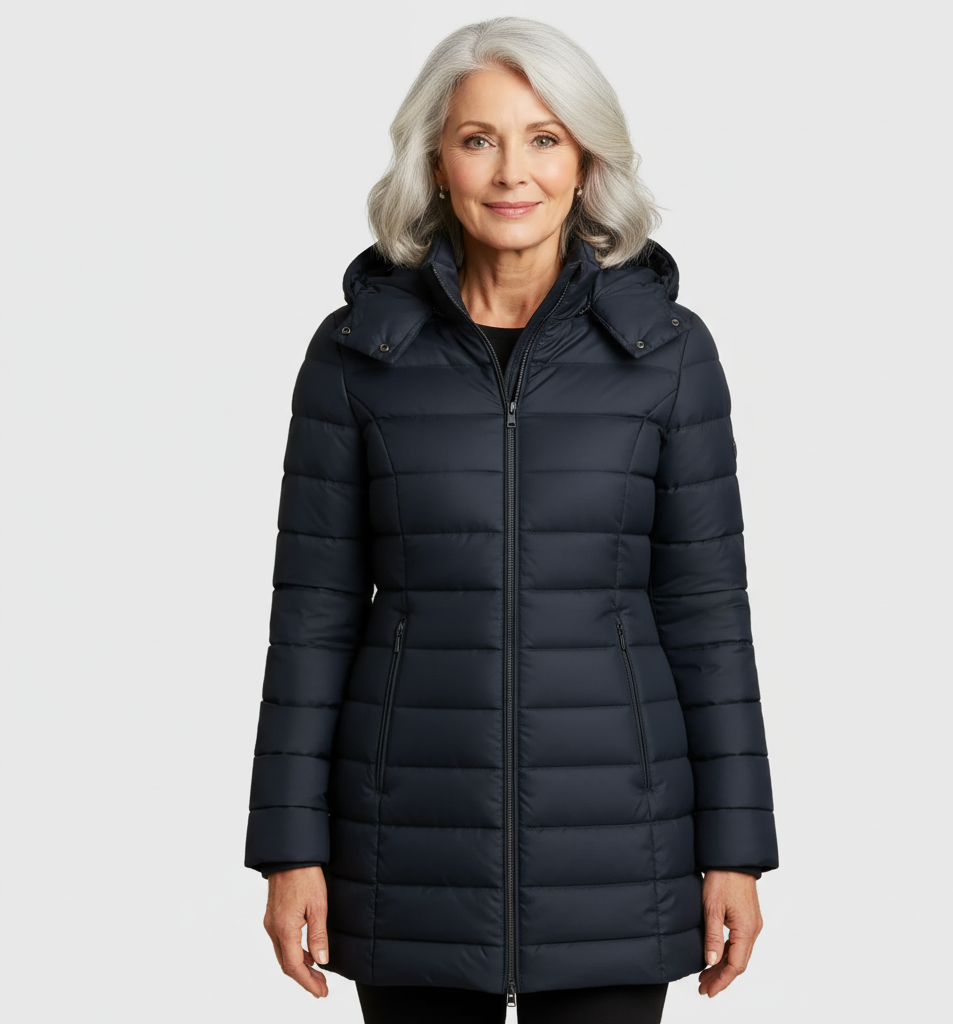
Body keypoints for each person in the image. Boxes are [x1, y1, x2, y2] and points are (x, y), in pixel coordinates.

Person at [244, 16, 779, 1023]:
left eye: (543, 138)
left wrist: (736, 852)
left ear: (586, 163)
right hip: (404, 844)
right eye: (478, 139)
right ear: (434, 164)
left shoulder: (667, 352)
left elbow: (708, 614)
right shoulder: (356, 352)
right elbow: (311, 613)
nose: (510, 172)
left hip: (622, 846)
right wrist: (288, 846)